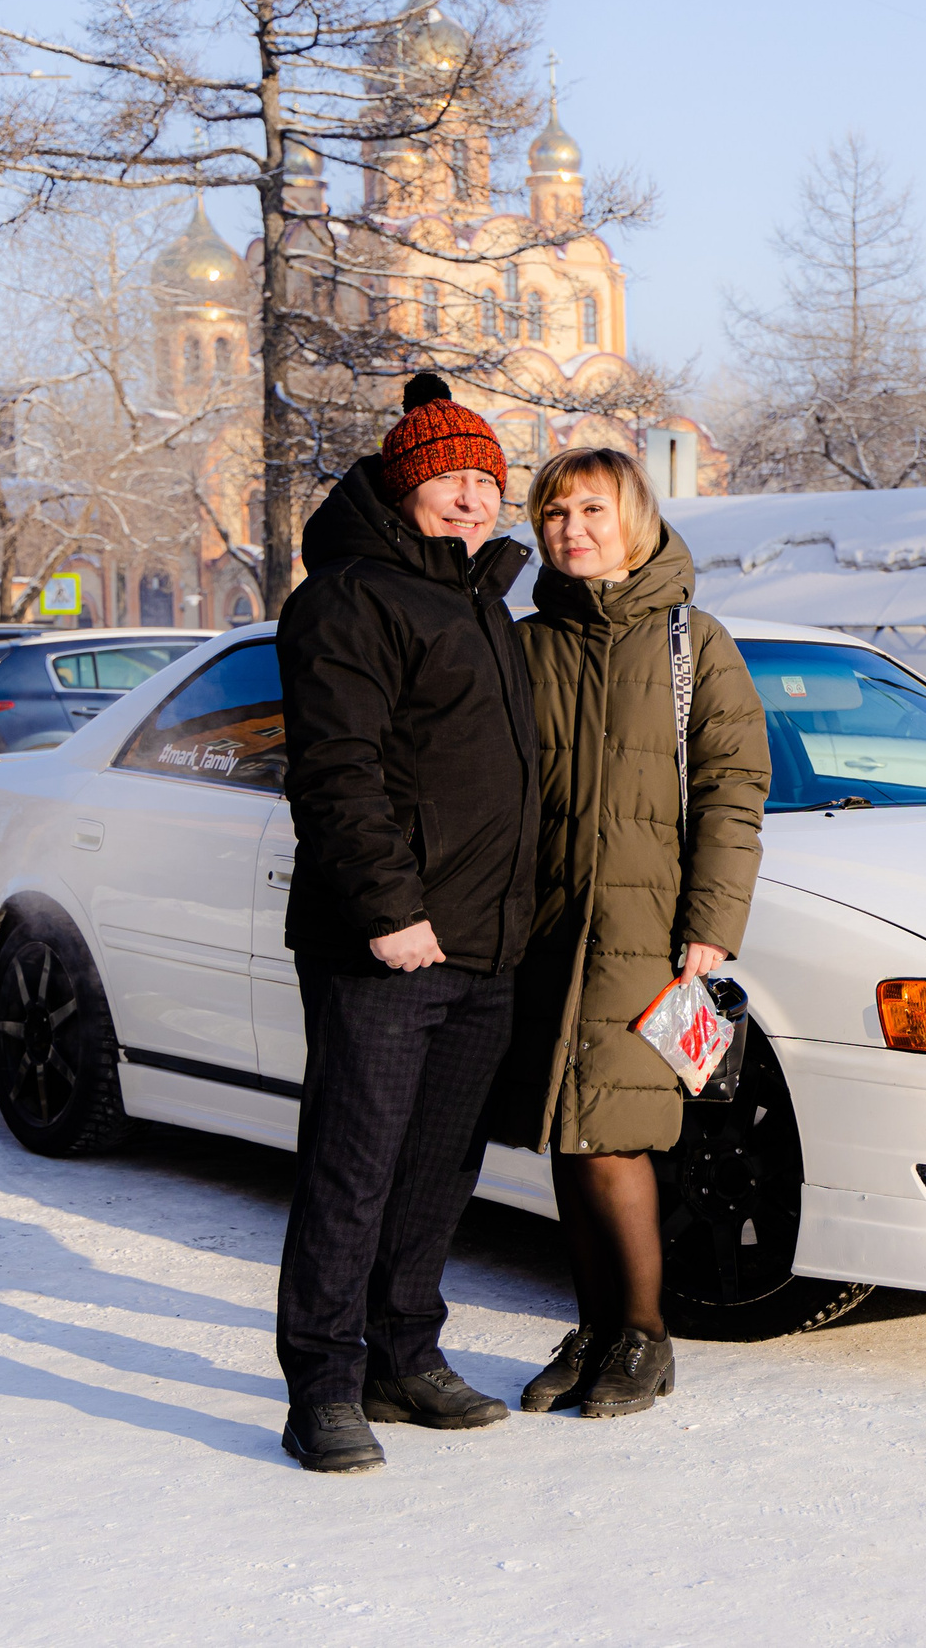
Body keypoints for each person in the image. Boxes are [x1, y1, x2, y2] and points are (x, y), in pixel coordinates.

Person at [272, 372, 539, 1473]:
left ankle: (404, 1357)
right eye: (451, 481)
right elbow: (338, 770)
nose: (473, 502)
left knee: (438, 1169)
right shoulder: (349, 598)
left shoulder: (481, 601)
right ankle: (323, 1387)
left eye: (486, 481)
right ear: (405, 484)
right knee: (353, 1166)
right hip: (386, 946)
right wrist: (390, 912)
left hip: (484, 944)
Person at [490, 447, 770, 1418]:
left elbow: (735, 791)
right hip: (549, 932)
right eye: (555, 512)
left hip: (648, 932)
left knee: (615, 1140)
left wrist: (710, 926)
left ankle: (646, 1336)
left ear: (636, 518)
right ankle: (599, 1327)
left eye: (592, 509)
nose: (572, 528)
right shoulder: (525, 644)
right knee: (571, 1140)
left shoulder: (696, 643)